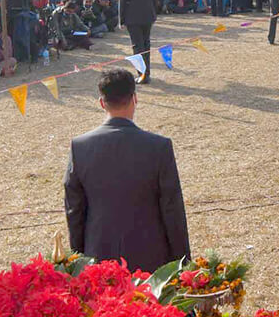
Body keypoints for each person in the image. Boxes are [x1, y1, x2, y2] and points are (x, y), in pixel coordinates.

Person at [65, 70, 191, 273]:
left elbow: (74, 211)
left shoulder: (79, 147)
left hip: (98, 259)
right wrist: (183, 263)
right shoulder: (159, 147)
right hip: (152, 260)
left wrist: (78, 258)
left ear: (102, 102)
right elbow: (172, 211)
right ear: (135, 99)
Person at [118, 0, 159, 83]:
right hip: (147, 14)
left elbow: (122, 1)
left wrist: (121, 19)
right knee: (146, 44)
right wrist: (154, 13)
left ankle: (142, 74)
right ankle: (147, 73)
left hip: (132, 16)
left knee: (137, 46)